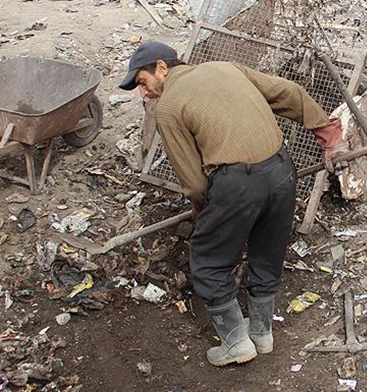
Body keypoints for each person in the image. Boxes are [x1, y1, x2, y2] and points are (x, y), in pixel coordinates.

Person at [119, 41, 342, 367]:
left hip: (236, 184)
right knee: (267, 250)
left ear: (162, 68)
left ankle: (237, 342)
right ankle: (262, 333)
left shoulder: (168, 108)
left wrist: (203, 209)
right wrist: (327, 135)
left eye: (142, 81)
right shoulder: (225, 68)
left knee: (209, 262)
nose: (143, 93)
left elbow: (194, 183)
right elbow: (289, 93)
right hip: (281, 170)